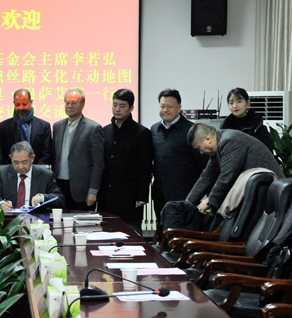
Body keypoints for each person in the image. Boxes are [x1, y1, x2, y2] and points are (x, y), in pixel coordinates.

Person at [186, 123, 284, 214]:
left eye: (199, 148)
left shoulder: (230, 141)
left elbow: (227, 177)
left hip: (273, 195)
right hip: (260, 193)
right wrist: (187, 203)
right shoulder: (219, 145)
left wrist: (210, 201)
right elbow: (207, 176)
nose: (201, 152)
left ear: (207, 139)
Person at [98, 89, 153, 234]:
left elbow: (146, 167)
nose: (117, 109)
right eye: (115, 105)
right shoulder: (105, 131)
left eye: (122, 106)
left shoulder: (142, 133)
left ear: (131, 108)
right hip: (107, 195)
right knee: (105, 234)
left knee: (131, 234)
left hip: (130, 196)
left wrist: (142, 195)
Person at [151, 89, 209, 222]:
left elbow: (204, 166)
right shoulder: (154, 129)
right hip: (160, 195)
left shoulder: (192, 131)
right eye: (162, 106)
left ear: (179, 107)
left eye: (169, 106)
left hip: (184, 197)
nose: (165, 110)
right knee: (162, 230)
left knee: (181, 232)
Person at [52, 89, 104, 210]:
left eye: (74, 103)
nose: (70, 106)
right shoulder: (57, 126)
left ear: (82, 105)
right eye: (67, 103)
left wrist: (93, 191)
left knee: (82, 222)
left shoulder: (93, 128)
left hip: (82, 191)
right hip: (59, 188)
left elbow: (98, 163)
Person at [0, 141, 65, 211]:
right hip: (11, 218)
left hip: (36, 218)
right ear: (11, 158)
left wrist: (42, 197)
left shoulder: (46, 175)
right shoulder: (3, 173)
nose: (20, 167)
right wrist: (1, 204)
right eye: (16, 162)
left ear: (32, 158)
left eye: (24, 162)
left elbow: (60, 199)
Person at [0, 89, 52, 164]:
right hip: (11, 170)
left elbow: (47, 154)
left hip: (37, 169)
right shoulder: (3, 127)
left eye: (24, 104)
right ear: (13, 103)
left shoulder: (44, 126)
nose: (21, 108)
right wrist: (14, 168)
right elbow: (0, 154)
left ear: (31, 102)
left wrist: (34, 169)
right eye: (17, 105)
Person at [221, 87, 273, 152]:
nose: (235, 106)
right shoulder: (225, 127)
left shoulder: (258, 127)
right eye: (231, 103)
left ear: (247, 102)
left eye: (239, 101)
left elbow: (267, 153)